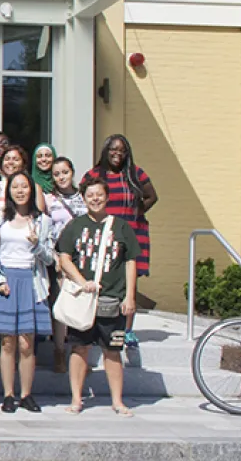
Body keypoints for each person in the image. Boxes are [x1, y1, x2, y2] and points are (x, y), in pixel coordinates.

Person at [58, 174, 141, 416]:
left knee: (113, 350)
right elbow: (64, 258)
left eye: (99, 195)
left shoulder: (121, 226)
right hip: (82, 300)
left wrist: (130, 297)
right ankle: (76, 398)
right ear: (83, 198)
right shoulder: (75, 226)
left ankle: (117, 400)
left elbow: (130, 262)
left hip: (112, 298)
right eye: (90, 195)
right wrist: (83, 283)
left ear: (107, 197)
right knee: (79, 348)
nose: (95, 199)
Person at [0, 171, 56, 414]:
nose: (20, 191)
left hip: (31, 281)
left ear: (31, 190)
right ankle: (8, 394)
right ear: (8, 192)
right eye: (15, 186)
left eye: (24, 186)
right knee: (7, 342)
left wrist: (37, 243)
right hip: (7, 280)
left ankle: (27, 394)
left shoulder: (43, 221)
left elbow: (50, 257)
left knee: (27, 344)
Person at [85, 134, 157, 350]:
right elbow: (85, 196)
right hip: (104, 233)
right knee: (101, 279)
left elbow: (152, 196)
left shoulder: (136, 173)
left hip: (132, 233)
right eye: (113, 149)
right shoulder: (95, 174)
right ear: (106, 151)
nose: (118, 154)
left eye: (122, 150)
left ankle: (127, 331)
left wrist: (136, 212)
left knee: (129, 285)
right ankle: (96, 328)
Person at [44, 156, 87, 373]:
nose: (61, 177)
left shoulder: (84, 197)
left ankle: (79, 353)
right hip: (59, 257)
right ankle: (59, 351)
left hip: (82, 257)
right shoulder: (48, 199)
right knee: (60, 304)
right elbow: (45, 230)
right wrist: (54, 256)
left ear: (72, 172)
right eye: (57, 174)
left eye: (65, 172)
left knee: (80, 303)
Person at [0, 146, 45, 218]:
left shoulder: (35, 187)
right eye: (7, 159)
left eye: (16, 159)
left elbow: (39, 218)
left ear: (23, 163)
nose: (10, 162)